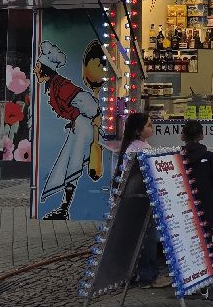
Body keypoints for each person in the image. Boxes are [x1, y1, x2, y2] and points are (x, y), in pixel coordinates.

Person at [36, 40, 104, 220]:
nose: (35, 70)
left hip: (83, 129)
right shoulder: (55, 85)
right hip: (80, 127)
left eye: (37, 66)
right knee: (69, 165)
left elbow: (87, 103)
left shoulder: (61, 86)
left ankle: (64, 209)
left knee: (71, 164)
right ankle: (64, 208)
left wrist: (94, 115)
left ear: (45, 70)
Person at [116, 112, 172, 289]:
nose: (152, 127)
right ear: (138, 130)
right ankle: (148, 277)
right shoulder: (140, 150)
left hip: (133, 199)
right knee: (147, 238)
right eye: (148, 125)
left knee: (136, 239)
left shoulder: (132, 146)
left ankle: (133, 274)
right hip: (141, 199)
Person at [181, 120, 213, 242]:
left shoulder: (177, 158)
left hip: (182, 208)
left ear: (183, 136)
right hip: (206, 206)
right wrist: (212, 196)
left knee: (184, 241)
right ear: (202, 135)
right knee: (206, 242)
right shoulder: (209, 157)